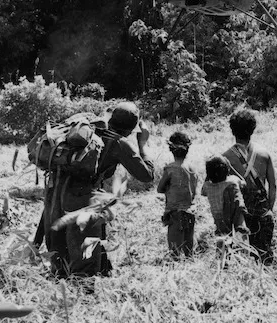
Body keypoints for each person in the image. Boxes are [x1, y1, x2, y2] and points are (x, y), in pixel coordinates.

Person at [44, 102, 154, 279]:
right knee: (84, 254)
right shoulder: (120, 144)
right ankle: (82, 295)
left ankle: (60, 285)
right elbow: (147, 175)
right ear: (131, 129)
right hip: (83, 197)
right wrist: (143, 145)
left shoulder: (93, 129)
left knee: (59, 250)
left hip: (55, 189)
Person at [223, 110, 277, 264]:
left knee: (242, 258)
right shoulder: (264, 154)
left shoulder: (225, 157)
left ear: (232, 130)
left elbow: (221, 189)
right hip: (263, 212)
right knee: (265, 257)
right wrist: (269, 209)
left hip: (240, 216)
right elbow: (273, 185)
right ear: (253, 129)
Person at [158, 131, 198, 258]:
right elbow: (194, 190)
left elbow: (159, 189)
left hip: (174, 211)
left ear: (171, 149)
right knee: (188, 247)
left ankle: (175, 270)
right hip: (190, 210)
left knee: (174, 250)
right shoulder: (192, 168)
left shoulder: (170, 169)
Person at [202, 155, 249, 240]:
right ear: (227, 169)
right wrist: (231, 168)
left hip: (219, 216)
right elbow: (244, 184)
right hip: (235, 213)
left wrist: (208, 176)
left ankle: (222, 251)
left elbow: (202, 193)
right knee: (236, 196)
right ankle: (240, 226)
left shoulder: (207, 186)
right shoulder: (233, 180)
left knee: (223, 237)